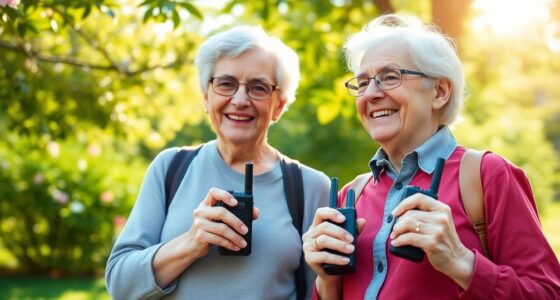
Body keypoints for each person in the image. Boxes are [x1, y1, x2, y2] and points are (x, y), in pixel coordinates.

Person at [302, 14, 560, 299]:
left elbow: (547, 293)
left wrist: (460, 262)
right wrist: (326, 281)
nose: (371, 94)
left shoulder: (487, 176)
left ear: (439, 92)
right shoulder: (352, 195)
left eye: (390, 77)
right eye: (362, 83)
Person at [105, 25, 330, 300]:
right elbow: (119, 285)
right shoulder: (170, 168)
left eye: (258, 88)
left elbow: (322, 293)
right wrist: (191, 242)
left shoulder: (310, 187)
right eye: (226, 84)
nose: (239, 100)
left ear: (279, 106)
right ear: (205, 96)